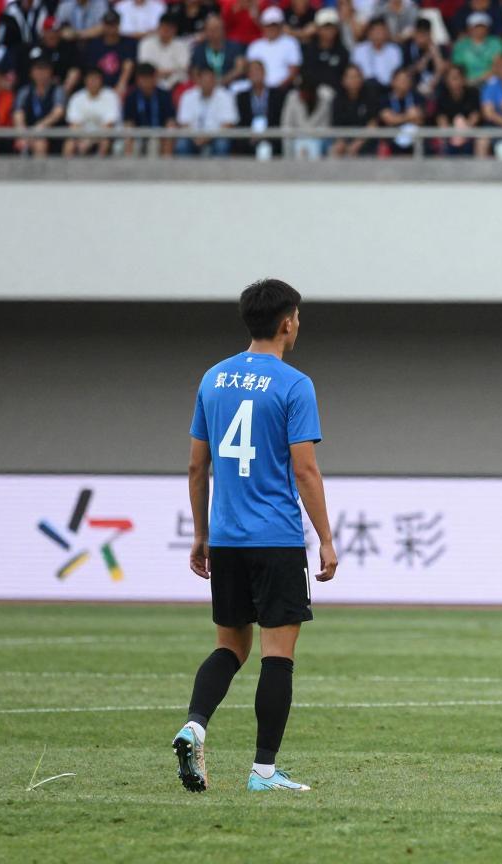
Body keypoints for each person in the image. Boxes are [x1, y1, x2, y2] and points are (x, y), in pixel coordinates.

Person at [174, 278, 337, 794]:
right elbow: (305, 470)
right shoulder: (295, 384)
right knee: (277, 654)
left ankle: (194, 725)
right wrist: (326, 539)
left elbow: (197, 467)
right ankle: (264, 771)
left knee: (229, 647)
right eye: (298, 317)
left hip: (226, 538)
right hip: (276, 539)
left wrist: (201, 535)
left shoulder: (213, 378)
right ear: (287, 322)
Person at [176, 64, 238, 156]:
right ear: (198, 80)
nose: (207, 83)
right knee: (182, 144)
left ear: (215, 80)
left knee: (222, 144)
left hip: (216, 137)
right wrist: (196, 138)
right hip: (193, 138)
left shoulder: (226, 96)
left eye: (210, 80)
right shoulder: (187, 96)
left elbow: (228, 124)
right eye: (204, 80)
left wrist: (207, 138)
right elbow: (184, 123)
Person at [13, 54, 66, 157]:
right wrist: (22, 132)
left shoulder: (57, 90)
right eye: (38, 69)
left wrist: (40, 127)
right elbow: (18, 112)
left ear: (50, 72)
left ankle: (40, 169)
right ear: (31, 72)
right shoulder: (25, 91)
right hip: (28, 133)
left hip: (51, 133)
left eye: (44, 69)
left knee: (40, 143)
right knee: (22, 143)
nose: (41, 73)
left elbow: (58, 112)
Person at [64, 64, 120, 155]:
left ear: (101, 80)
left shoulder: (111, 96)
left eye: (96, 79)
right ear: (85, 80)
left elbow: (108, 126)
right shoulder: (76, 97)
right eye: (90, 79)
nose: (93, 82)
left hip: (103, 136)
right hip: (82, 138)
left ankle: (99, 164)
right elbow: (74, 125)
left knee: (105, 141)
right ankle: (67, 164)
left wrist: (90, 141)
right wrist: (82, 140)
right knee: (69, 143)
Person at [122, 61, 176, 155]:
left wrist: (166, 143)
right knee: (134, 145)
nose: (146, 82)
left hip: (158, 135)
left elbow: (170, 121)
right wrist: (130, 142)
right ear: (137, 79)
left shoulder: (164, 95)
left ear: (155, 78)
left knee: (154, 145)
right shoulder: (131, 97)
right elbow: (128, 123)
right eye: (143, 78)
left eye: (149, 78)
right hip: (137, 135)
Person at [235, 59, 285, 156]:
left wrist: (267, 135)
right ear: (248, 75)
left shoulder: (277, 95)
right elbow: (242, 122)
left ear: (264, 73)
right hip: (249, 138)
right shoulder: (241, 97)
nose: (256, 74)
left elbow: (278, 120)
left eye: (258, 70)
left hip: (271, 136)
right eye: (252, 71)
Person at [83, 9, 137, 97]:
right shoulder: (94, 45)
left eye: (113, 24)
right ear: (103, 25)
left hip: (121, 87)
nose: (111, 28)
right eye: (108, 25)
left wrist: (121, 85)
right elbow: (91, 70)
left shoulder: (128, 43)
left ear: (118, 25)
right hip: (98, 87)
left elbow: (128, 65)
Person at [329, 62, 379, 156]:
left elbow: (372, 124)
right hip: (345, 138)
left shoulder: (370, 95)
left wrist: (357, 143)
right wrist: (341, 142)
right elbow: (336, 125)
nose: (354, 80)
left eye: (356, 76)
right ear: (343, 80)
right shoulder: (338, 99)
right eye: (350, 77)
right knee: (335, 149)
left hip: (365, 139)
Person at [248, 7, 302, 89]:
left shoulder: (290, 42)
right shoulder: (255, 46)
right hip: (259, 89)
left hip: (283, 88)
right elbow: (251, 72)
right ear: (263, 26)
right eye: (268, 25)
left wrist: (278, 89)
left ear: (281, 26)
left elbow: (294, 70)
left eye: (274, 25)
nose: (271, 28)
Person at [191, 14, 247, 88]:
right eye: (211, 30)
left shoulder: (235, 47)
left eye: (217, 29)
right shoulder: (199, 50)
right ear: (205, 31)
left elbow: (240, 69)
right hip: (206, 89)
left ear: (223, 30)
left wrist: (221, 81)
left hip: (231, 86)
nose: (214, 33)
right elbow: (194, 73)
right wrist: (207, 85)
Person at [138, 13, 191, 90]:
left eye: (169, 28)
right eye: (164, 27)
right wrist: (171, 71)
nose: (166, 31)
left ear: (175, 30)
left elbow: (183, 68)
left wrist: (160, 72)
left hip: (177, 84)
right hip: (153, 84)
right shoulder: (146, 43)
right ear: (158, 27)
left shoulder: (182, 45)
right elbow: (145, 68)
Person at [378, 65, 423, 155]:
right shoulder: (385, 99)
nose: (404, 82)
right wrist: (409, 116)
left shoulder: (416, 97)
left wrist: (397, 118)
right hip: (391, 139)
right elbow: (389, 120)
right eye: (401, 80)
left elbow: (419, 119)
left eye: (406, 80)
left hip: (413, 140)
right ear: (393, 81)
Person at [303, 9, 351, 90]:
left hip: (337, 93)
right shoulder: (309, 50)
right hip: (313, 94)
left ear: (336, 29)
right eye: (325, 27)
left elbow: (344, 78)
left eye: (332, 27)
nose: (329, 31)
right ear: (318, 29)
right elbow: (306, 75)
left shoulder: (343, 52)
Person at [451, 12, 502, 83]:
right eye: (476, 27)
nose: (479, 29)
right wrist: (466, 81)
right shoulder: (461, 45)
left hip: (490, 80)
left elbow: (498, 65)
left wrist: (479, 79)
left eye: (482, 27)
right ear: (469, 28)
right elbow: (457, 66)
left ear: (488, 28)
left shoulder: (496, 43)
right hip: (466, 81)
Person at [351, 17, 402, 87]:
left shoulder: (394, 51)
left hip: (388, 88)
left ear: (386, 33)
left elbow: (396, 74)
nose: (378, 34)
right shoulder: (359, 50)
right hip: (365, 88)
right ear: (369, 33)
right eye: (375, 31)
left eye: (381, 31)